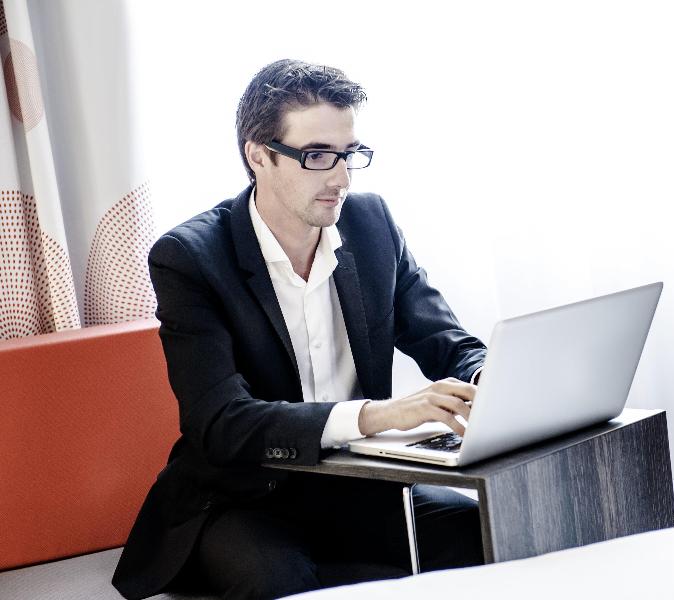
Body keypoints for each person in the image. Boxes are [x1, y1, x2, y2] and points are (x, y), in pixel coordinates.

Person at [112, 59, 487, 600]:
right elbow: (220, 422)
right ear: (258, 156)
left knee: (488, 534)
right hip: (244, 497)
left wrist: (489, 381)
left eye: (349, 154)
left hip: (361, 486)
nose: (341, 177)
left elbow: (447, 343)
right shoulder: (191, 258)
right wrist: (378, 415)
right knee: (277, 582)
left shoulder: (372, 225)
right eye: (317, 156)